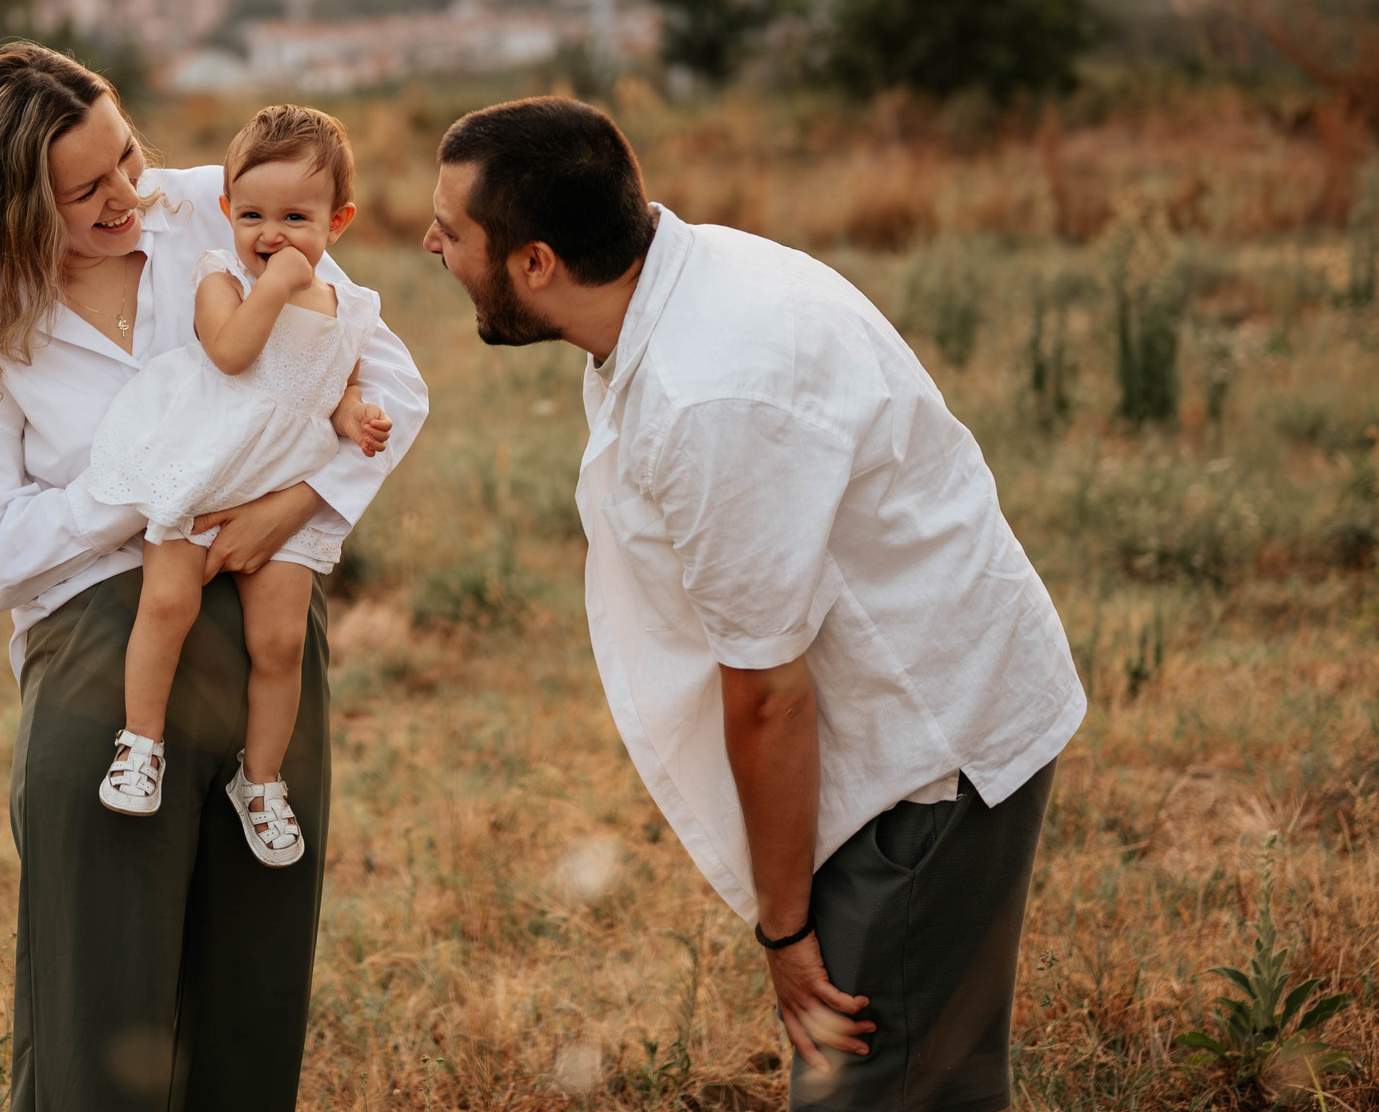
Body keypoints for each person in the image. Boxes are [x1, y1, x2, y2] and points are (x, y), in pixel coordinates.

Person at [421, 97, 1082, 1112]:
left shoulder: (709, 394)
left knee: (873, 1089)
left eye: (452, 231)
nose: (429, 243)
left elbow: (770, 694)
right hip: (919, 715)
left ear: (537, 262)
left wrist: (784, 932)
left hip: (925, 767)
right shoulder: (682, 286)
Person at [0, 44, 428, 1111]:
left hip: (268, 639)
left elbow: (387, 380)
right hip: (98, 660)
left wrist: (291, 502)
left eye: (126, 155)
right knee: (99, 1024)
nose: (127, 195)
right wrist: (156, 487)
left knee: (250, 1004)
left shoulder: (220, 216)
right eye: (84, 191)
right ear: (6, 211)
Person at [87, 105, 395, 867]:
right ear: (226, 212)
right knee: (167, 602)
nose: (272, 232)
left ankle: (260, 781)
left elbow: (339, 383)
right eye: (252, 213)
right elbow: (229, 353)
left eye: (296, 216)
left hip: (284, 494)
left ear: (339, 221)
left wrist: (360, 417)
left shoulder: (351, 308)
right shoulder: (218, 280)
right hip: (207, 469)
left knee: (281, 641)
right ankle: (141, 742)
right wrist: (278, 281)